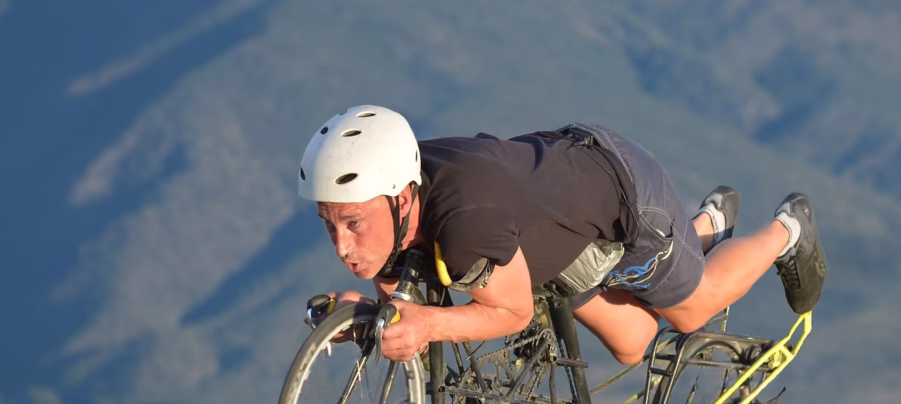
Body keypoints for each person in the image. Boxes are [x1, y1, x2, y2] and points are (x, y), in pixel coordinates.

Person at [299, 105, 826, 364]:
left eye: (354, 223)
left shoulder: (466, 224)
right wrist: (367, 318)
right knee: (633, 343)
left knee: (691, 311)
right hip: (557, 224)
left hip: (623, 196)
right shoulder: (400, 192)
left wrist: (428, 325)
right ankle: (705, 226)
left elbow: (512, 313)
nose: (342, 246)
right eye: (329, 224)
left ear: (400, 198)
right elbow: (402, 307)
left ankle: (787, 230)